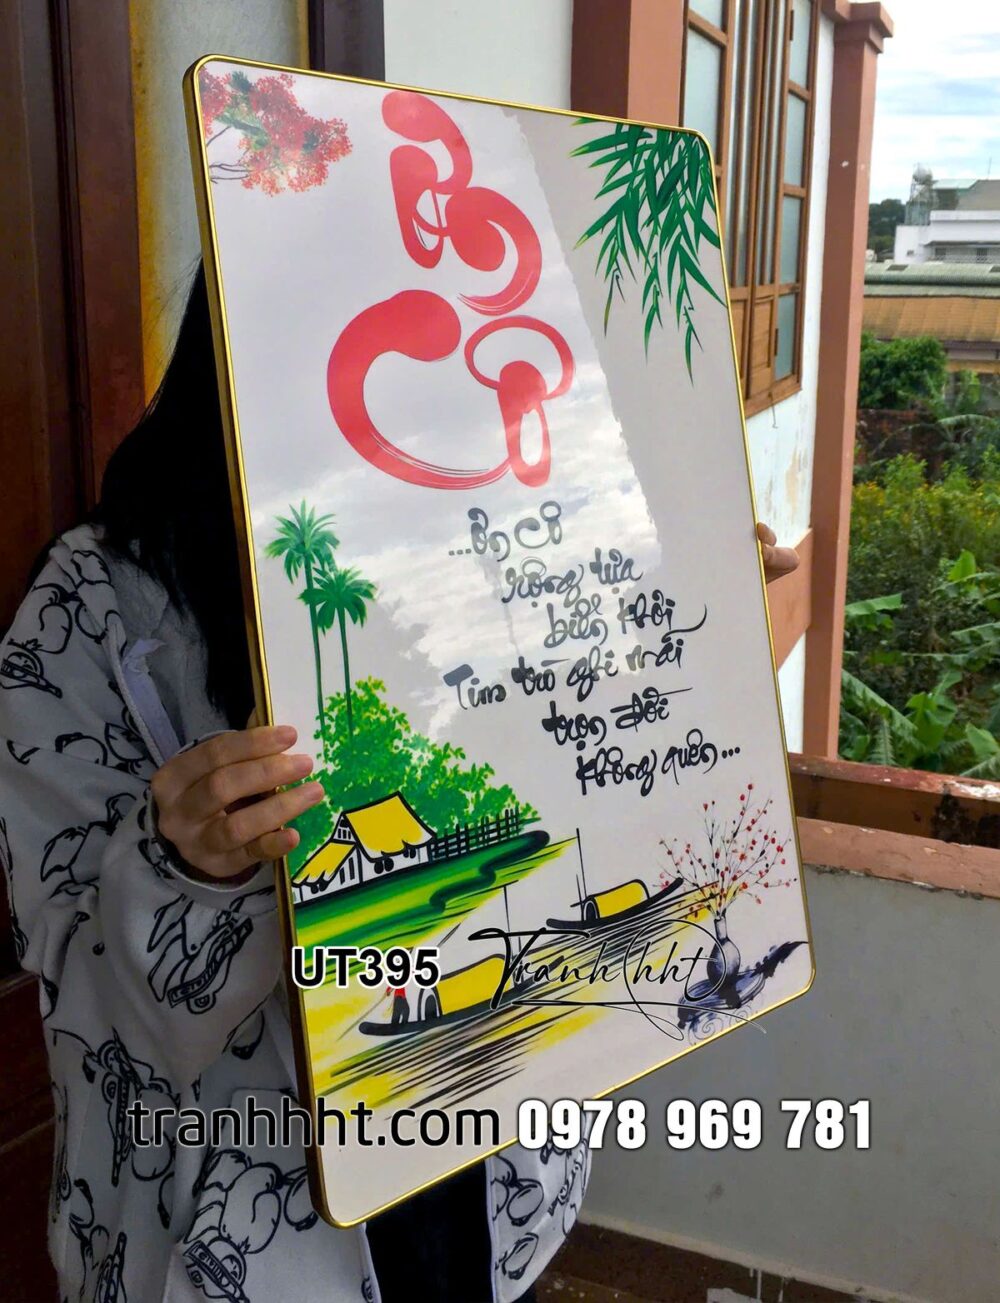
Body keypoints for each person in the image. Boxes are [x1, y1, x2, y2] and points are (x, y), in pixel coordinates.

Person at [0, 264, 798, 1303]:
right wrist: (185, 867)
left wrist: (672, 640)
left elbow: (583, 794)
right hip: (229, 1241)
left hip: (484, 1181)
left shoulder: (503, 548)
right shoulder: (91, 609)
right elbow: (84, 999)